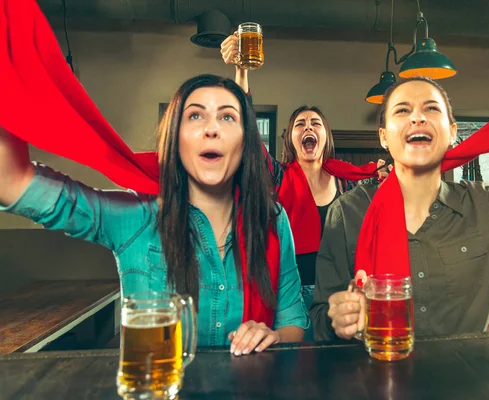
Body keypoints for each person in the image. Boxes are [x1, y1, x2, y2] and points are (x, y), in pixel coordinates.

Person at [0, 74, 309, 354]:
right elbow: (11, 182)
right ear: (175, 138)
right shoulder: (136, 215)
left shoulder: (273, 220)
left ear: (247, 142)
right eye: (195, 115)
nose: (211, 128)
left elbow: (293, 324)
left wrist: (274, 337)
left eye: (228, 117)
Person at [310, 75, 489, 341]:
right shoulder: (346, 214)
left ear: (452, 133)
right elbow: (321, 319)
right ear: (384, 137)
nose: (417, 117)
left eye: (431, 109)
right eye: (402, 110)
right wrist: (339, 320)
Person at [220, 34, 387, 338]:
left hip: (338, 297)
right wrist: (241, 72)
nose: (308, 127)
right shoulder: (277, 175)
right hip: (288, 297)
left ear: (326, 137)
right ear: (291, 139)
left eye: (316, 123)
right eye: (300, 124)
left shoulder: (348, 184)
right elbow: (246, 135)